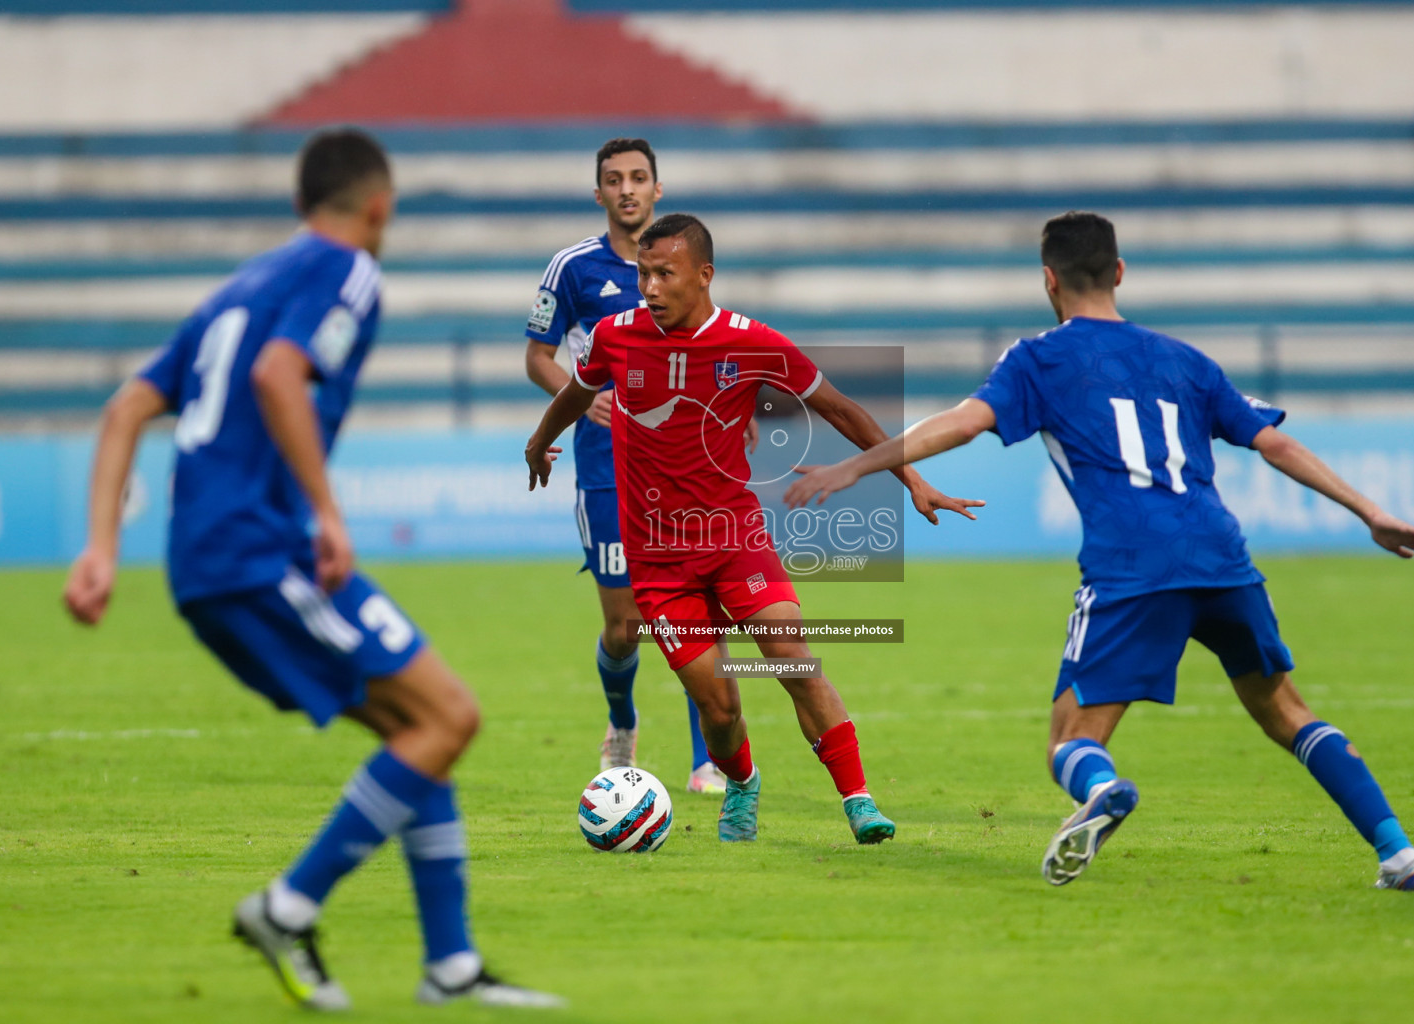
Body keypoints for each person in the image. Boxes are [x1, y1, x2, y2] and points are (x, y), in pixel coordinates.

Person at [785, 211, 1414, 891]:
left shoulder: (1039, 358)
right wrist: (1371, 510)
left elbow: (961, 422)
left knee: (1070, 741)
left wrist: (857, 467)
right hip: (1221, 554)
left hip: (1133, 567)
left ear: (1048, 279)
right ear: (1119, 271)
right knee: (1288, 713)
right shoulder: (1184, 359)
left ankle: (1100, 792)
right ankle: (1399, 854)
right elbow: (1272, 441)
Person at [62, 128, 563, 1010]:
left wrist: (100, 550)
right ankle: (288, 907)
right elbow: (278, 374)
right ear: (380, 206)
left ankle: (451, 967)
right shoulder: (350, 272)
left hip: (208, 565)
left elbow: (126, 406)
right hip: (264, 551)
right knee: (452, 714)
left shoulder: (240, 288)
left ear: (302, 204)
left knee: (424, 730)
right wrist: (328, 513)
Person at [525, 213, 980, 844]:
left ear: (704, 275)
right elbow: (578, 391)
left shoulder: (752, 342)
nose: (649, 288)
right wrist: (540, 440)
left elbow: (841, 409)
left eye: (664, 274)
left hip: (735, 541)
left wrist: (914, 480)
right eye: (642, 274)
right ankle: (741, 784)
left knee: (792, 657)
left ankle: (858, 798)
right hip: (657, 559)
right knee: (719, 704)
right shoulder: (614, 335)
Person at [525, 138, 732, 794]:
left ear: (657, 189)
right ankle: (622, 722)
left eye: (639, 177)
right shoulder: (573, 269)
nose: (627, 189)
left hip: (684, 467)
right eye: (614, 179)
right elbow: (537, 354)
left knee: (700, 608)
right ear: (600, 194)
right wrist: (579, 402)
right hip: (606, 470)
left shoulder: (684, 262)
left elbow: (714, 346)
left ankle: (709, 760)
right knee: (628, 626)